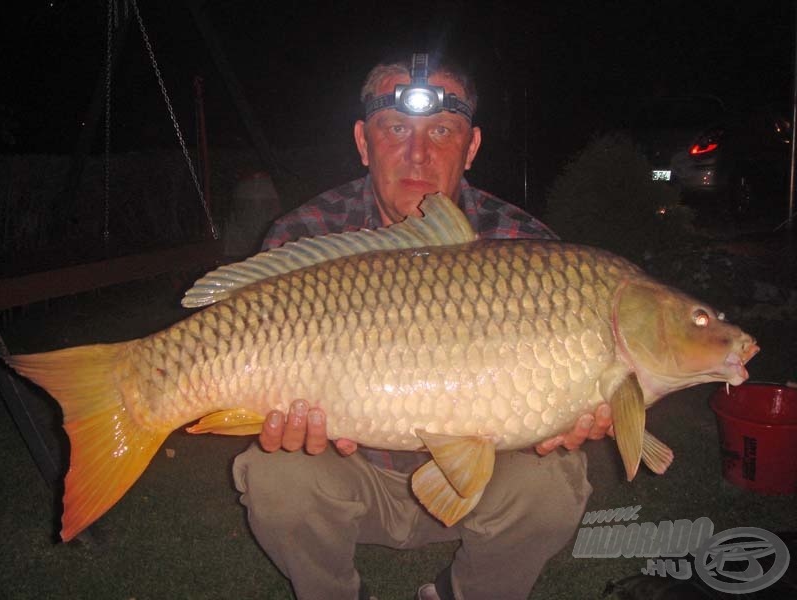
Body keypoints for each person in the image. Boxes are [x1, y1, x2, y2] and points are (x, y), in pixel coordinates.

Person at [232, 53, 613, 600]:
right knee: (275, 475)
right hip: (348, 474)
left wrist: (569, 412)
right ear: (364, 143)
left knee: (554, 482)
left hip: (481, 481)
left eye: (441, 130)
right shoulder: (307, 238)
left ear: (472, 147)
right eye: (395, 129)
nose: (419, 153)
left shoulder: (525, 248)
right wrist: (270, 419)